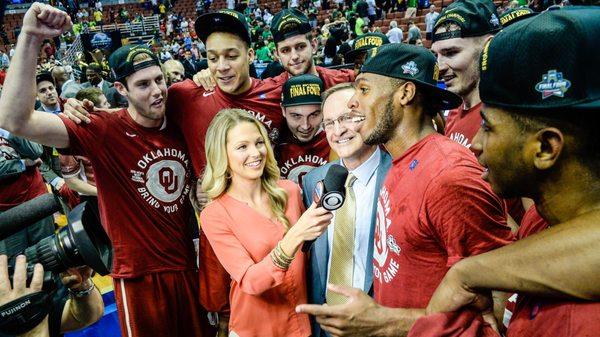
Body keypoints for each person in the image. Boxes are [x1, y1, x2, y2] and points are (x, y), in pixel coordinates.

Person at [0, 5, 214, 337]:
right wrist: (29, 37)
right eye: (143, 84)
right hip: (137, 275)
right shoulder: (103, 128)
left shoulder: (181, 113)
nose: (157, 90)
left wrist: (207, 75)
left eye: (159, 79)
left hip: (187, 263)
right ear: (121, 89)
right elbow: (15, 120)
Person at [296, 43, 514, 336]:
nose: (352, 104)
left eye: (363, 90)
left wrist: (385, 323)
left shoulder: (448, 174)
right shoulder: (401, 160)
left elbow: (502, 293)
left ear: (405, 93)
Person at [424, 7, 600, 337]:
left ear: (546, 148)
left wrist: (466, 275)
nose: (475, 143)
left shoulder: (579, 322)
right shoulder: (541, 216)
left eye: (488, 127)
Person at [199, 108, 333, 336]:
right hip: (254, 329)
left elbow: (312, 260)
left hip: (302, 324)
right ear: (222, 155)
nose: (256, 153)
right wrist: (295, 235)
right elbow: (251, 282)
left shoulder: (289, 191)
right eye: (242, 147)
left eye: (259, 143)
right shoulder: (215, 214)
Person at [301, 82, 392, 337]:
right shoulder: (313, 180)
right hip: (325, 323)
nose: (338, 130)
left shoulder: (397, 174)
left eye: (347, 118)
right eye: (329, 123)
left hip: (378, 321)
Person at [277, 74, 330, 184]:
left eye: (314, 115)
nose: (305, 126)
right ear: (283, 110)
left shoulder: (335, 140)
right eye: (296, 116)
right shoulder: (274, 145)